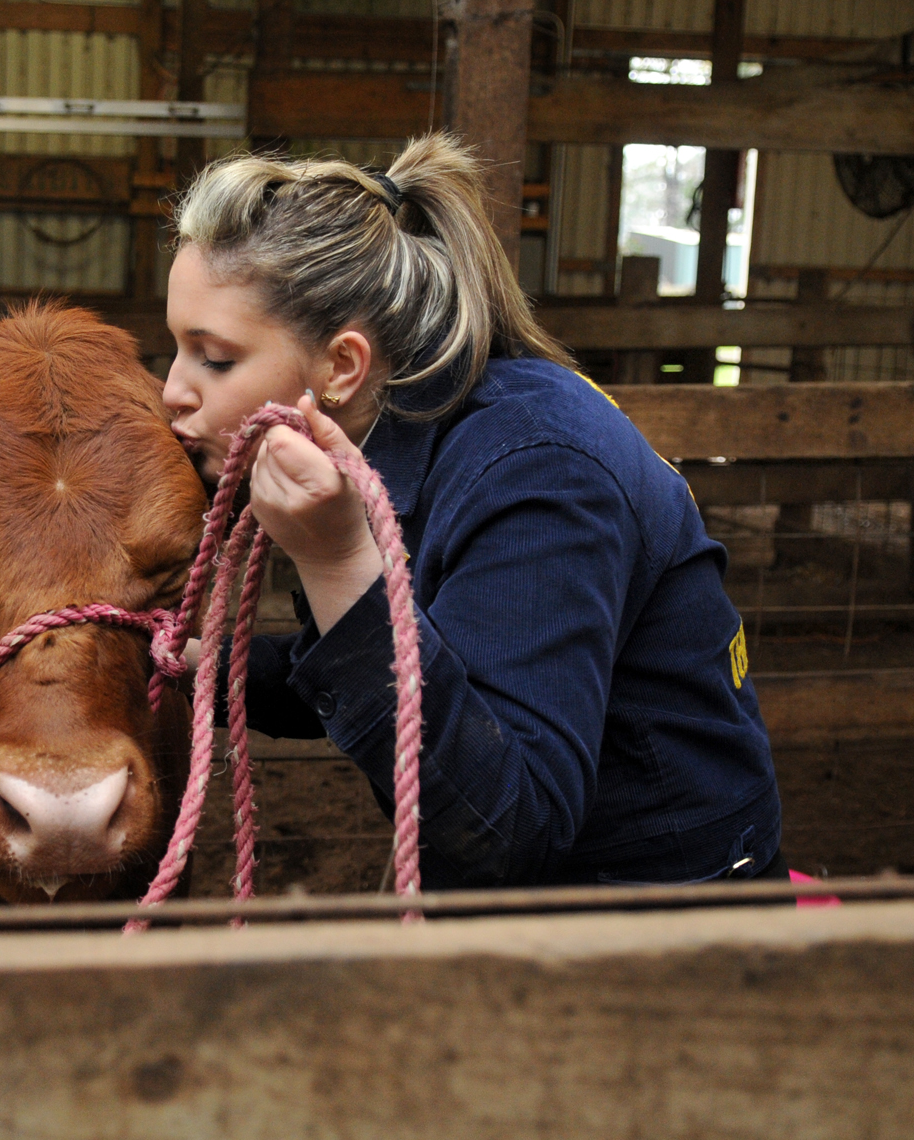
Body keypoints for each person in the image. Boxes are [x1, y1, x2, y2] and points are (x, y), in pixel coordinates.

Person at [160, 133, 784, 888]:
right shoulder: (412, 432)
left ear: (342, 367)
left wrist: (337, 563)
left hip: (662, 912)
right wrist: (205, 667)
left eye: (214, 357)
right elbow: (432, 656)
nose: (174, 391)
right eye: (176, 348)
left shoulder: (536, 471)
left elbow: (508, 833)